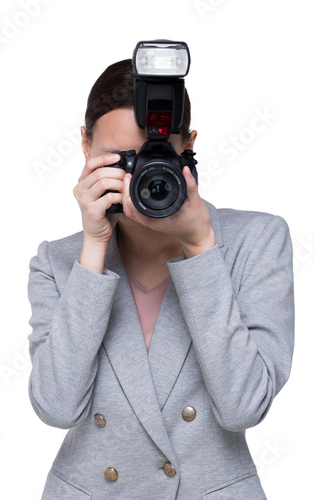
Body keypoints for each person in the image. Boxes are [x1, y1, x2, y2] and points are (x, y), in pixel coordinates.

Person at [27, 58, 295, 500]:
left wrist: (201, 244)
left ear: (188, 145)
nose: (138, 178)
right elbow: (57, 408)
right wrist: (94, 246)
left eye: (155, 158)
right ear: (85, 145)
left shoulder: (257, 239)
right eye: (120, 159)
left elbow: (243, 407)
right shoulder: (57, 262)